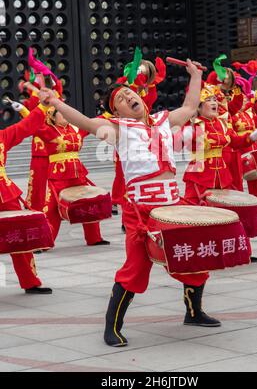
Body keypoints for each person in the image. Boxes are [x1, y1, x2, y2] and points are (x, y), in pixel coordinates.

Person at [43, 60, 222, 348]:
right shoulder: (118, 129)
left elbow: (190, 108)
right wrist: (57, 103)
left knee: (192, 259)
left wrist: (196, 75)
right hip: (141, 211)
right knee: (136, 269)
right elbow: (86, 123)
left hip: (171, 205)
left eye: (129, 93)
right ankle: (111, 327)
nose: (129, 98)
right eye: (121, 100)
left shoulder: (163, 120)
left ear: (140, 97)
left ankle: (194, 312)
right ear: (117, 112)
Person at [34, 107, 110, 246]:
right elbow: (32, 124)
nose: (65, 116)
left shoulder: (76, 129)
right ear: (53, 118)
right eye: (61, 114)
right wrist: (22, 110)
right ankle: (44, 241)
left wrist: (107, 113)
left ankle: (94, 238)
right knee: (51, 210)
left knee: (88, 204)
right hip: (58, 176)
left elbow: (90, 123)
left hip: (78, 174)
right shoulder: (48, 130)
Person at [0, 95, 52, 294]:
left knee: (19, 236)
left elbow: (27, 126)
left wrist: (43, 106)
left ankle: (30, 281)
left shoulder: (3, 136)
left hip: (5, 192)